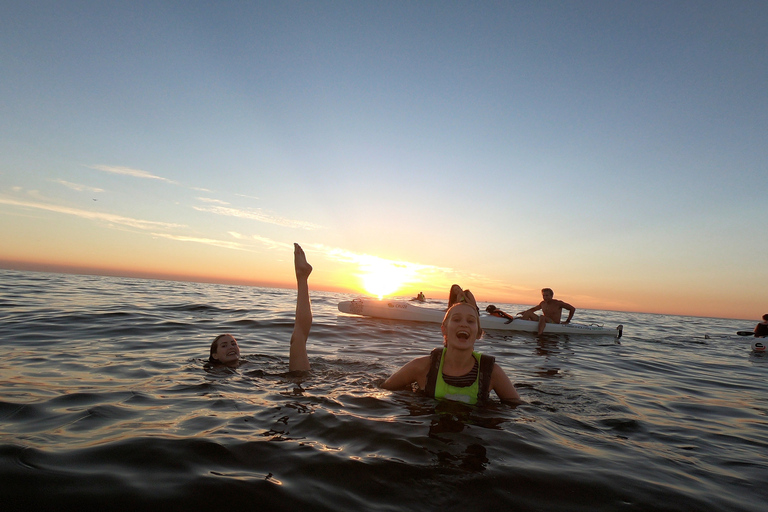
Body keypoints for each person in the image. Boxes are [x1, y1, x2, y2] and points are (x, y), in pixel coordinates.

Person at [382, 285, 523, 406]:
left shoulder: (492, 373)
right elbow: (383, 391)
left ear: (479, 333)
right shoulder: (421, 367)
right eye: (456, 319)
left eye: (471, 321)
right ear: (444, 329)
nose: (463, 324)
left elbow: (517, 409)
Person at [208, 243, 313, 371]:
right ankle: (301, 278)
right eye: (224, 346)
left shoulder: (248, 365)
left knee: (298, 339)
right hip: (281, 381)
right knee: (298, 340)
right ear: (215, 355)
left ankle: (302, 278)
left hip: (279, 380)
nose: (231, 347)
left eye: (233, 344)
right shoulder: (215, 374)